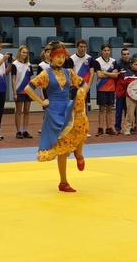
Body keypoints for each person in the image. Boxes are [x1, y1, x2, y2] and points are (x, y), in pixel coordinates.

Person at [24, 41, 89, 192]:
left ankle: (79, 154)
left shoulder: (69, 72)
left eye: (62, 57)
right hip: (54, 113)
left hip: (67, 108)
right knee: (62, 149)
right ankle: (63, 182)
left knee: (81, 129)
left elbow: (84, 84)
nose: (60, 59)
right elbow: (28, 88)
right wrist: (42, 101)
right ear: (51, 58)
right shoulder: (45, 74)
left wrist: (82, 93)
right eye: (57, 57)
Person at [11, 44, 35, 139]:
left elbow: (31, 78)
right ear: (19, 52)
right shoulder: (14, 64)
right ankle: (19, 131)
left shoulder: (29, 65)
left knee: (27, 111)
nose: (25, 54)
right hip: (19, 90)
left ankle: (25, 130)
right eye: (23, 52)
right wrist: (14, 93)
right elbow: (13, 79)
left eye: (26, 52)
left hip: (27, 91)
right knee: (19, 111)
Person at [93, 44, 117, 136]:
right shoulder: (97, 61)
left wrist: (105, 73)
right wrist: (110, 73)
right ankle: (100, 128)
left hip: (111, 88)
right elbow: (99, 75)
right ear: (101, 51)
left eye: (108, 50)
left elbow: (116, 75)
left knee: (110, 109)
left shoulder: (114, 61)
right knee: (102, 109)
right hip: (101, 88)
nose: (106, 52)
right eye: (105, 50)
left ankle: (109, 128)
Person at [116, 55, 137, 135]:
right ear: (131, 65)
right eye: (135, 64)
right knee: (130, 113)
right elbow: (124, 85)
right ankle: (127, 129)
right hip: (130, 97)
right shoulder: (127, 73)